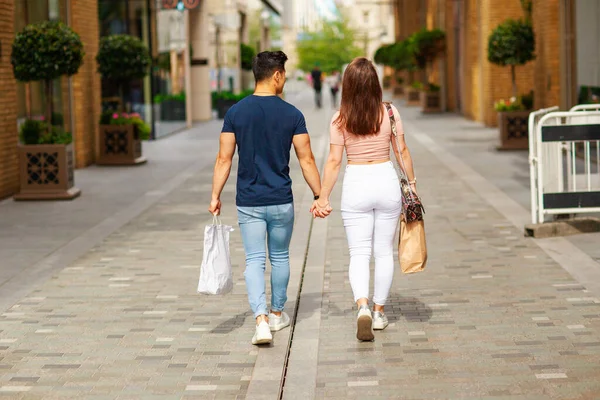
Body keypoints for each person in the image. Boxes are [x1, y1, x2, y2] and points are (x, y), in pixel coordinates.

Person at [209, 51, 322, 346]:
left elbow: (224, 159)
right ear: (277, 75)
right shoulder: (292, 114)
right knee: (281, 256)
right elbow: (307, 159)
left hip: (249, 201)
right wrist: (320, 195)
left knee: (255, 260)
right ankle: (276, 314)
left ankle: (259, 321)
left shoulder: (235, 113)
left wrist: (215, 195)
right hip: (281, 199)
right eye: (283, 73)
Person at [312, 58, 417, 342]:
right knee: (383, 251)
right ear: (375, 83)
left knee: (359, 253)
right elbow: (402, 151)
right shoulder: (390, 112)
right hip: (385, 180)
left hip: (356, 182)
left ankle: (362, 307)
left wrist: (323, 197)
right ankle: (380, 312)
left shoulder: (339, 118)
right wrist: (413, 186)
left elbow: (334, 161)